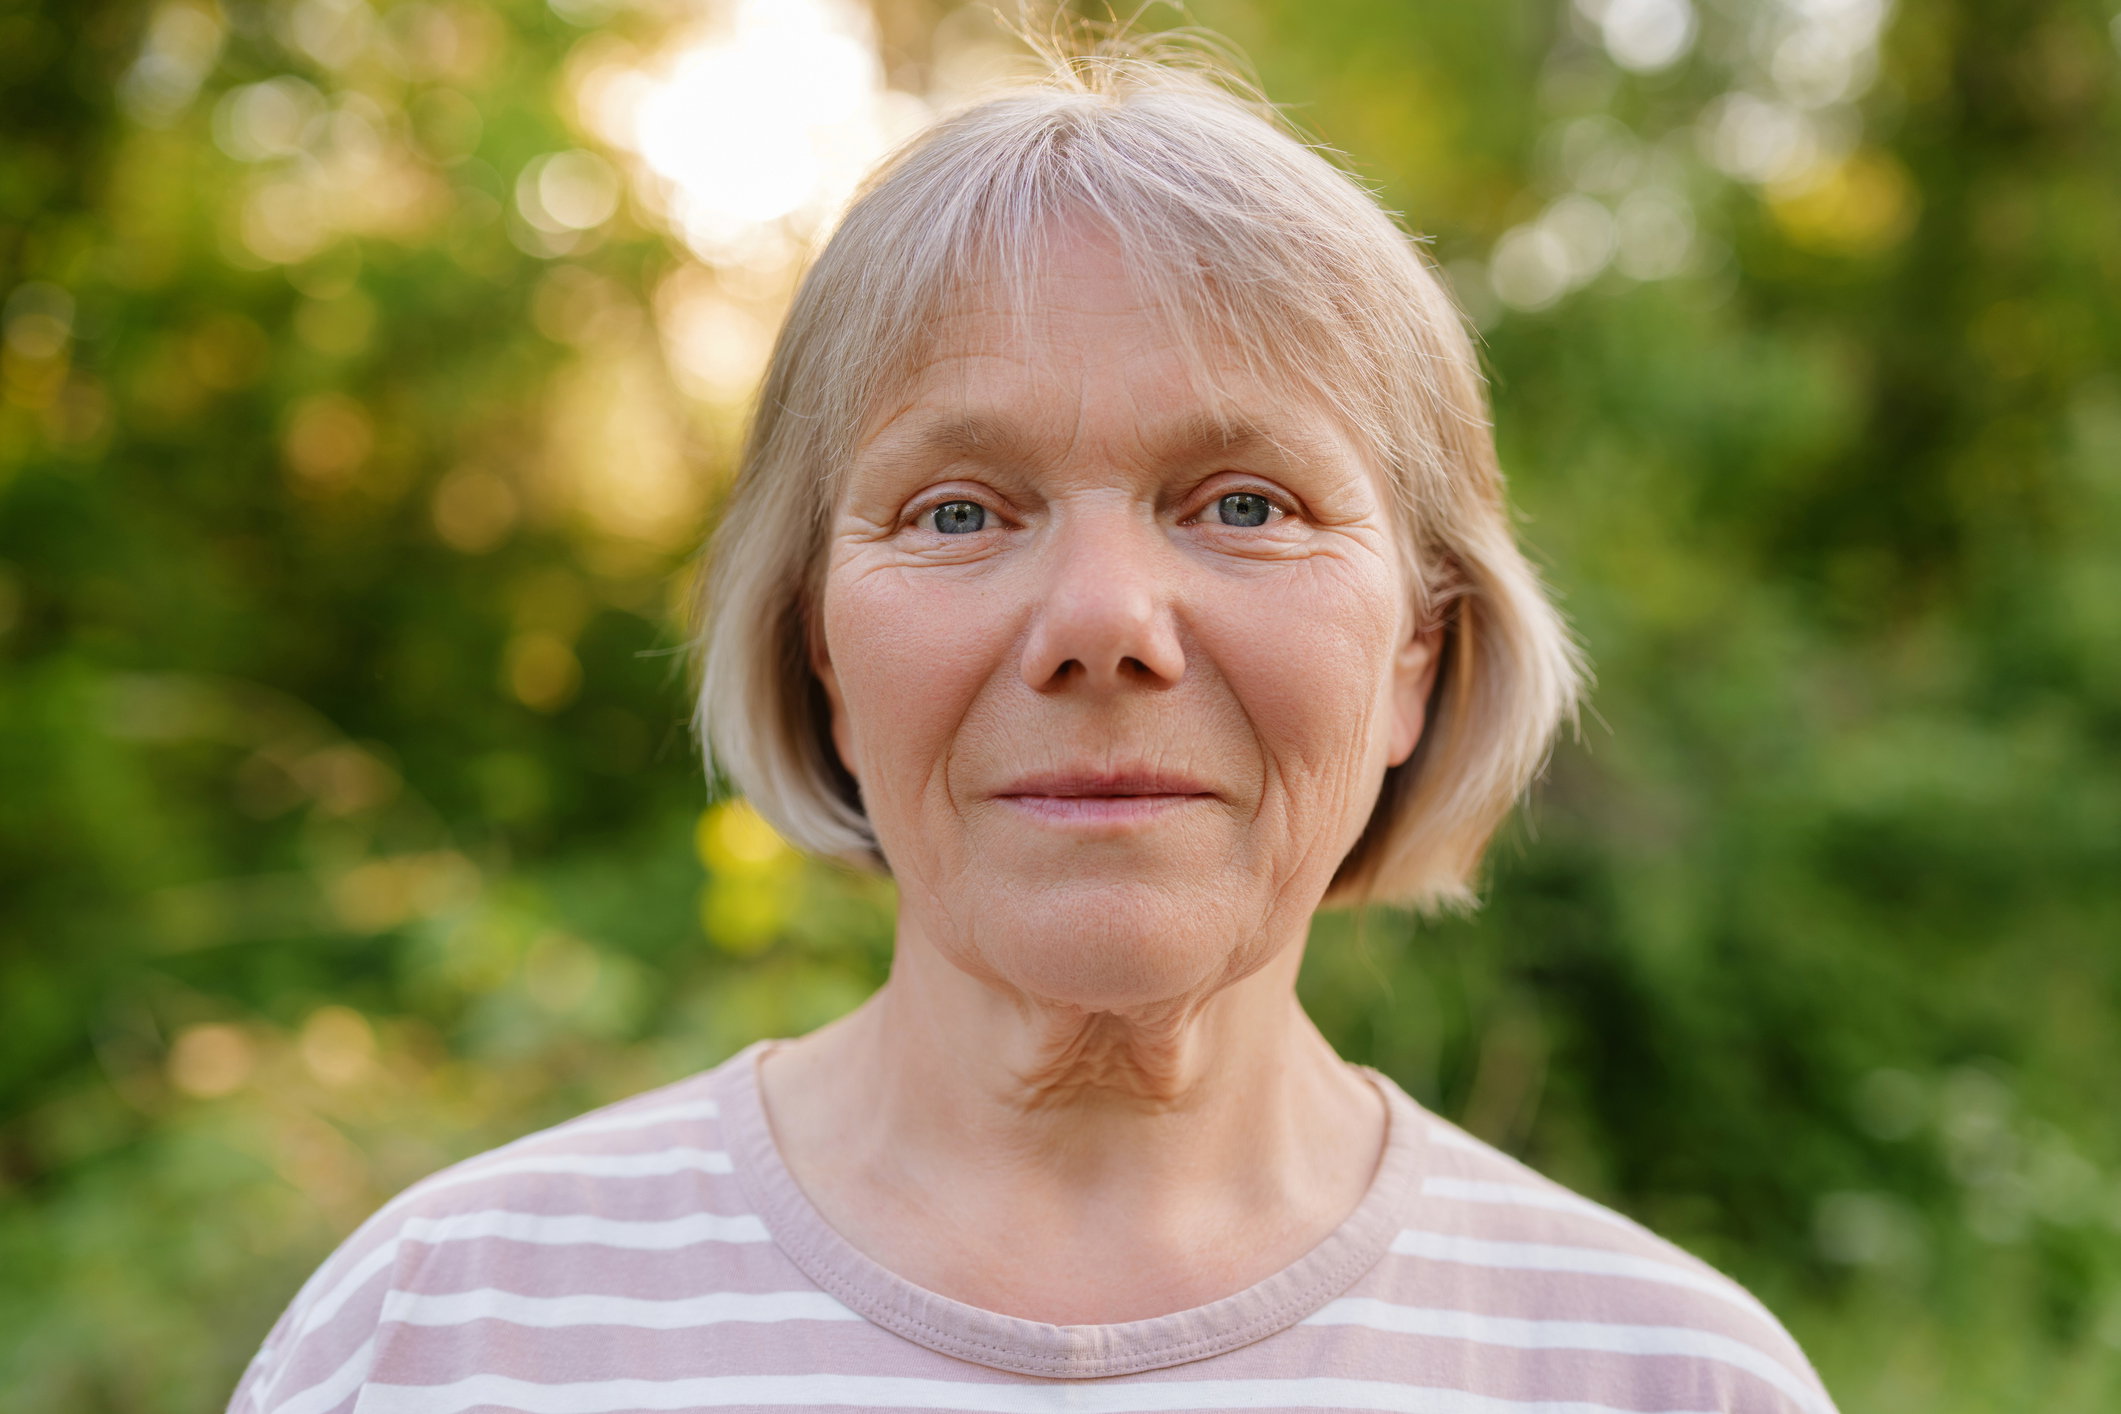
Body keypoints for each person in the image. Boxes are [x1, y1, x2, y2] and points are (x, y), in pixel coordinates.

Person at [229, 41, 1839, 1414]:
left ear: (1419, 647)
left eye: (1242, 502)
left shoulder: (1662, 1378)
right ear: (822, 652)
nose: (1099, 624)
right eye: (953, 511)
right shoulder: (437, 1338)